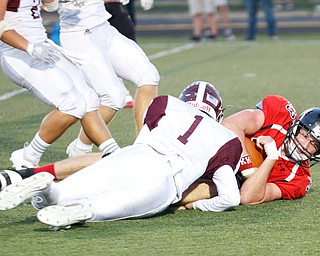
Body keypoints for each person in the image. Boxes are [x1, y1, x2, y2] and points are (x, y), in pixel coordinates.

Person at [0, 81, 243, 228]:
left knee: (55, 196)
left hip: (134, 156)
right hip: (166, 179)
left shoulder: (166, 103)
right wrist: (198, 206)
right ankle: (84, 211)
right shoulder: (227, 141)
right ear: (218, 113)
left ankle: (45, 187)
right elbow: (230, 198)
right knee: (100, 208)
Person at [0, 0, 119, 169]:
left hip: (43, 46)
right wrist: (30, 47)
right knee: (72, 105)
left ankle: (113, 153)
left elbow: (49, 6)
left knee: (89, 99)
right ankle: (28, 157)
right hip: (19, 54)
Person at [55, 0, 159, 157]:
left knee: (149, 76)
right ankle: (80, 148)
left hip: (104, 28)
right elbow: (47, 5)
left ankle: (144, 145)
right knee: (113, 98)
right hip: (79, 34)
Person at [174, 96, 320, 207]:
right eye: (305, 135)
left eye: (314, 143)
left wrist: (271, 158)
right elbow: (230, 124)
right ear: (297, 126)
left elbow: (247, 197)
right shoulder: (280, 114)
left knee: (227, 186)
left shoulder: (300, 180)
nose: (304, 144)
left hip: (230, 182)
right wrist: (248, 169)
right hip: (219, 147)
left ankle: (169, 198)